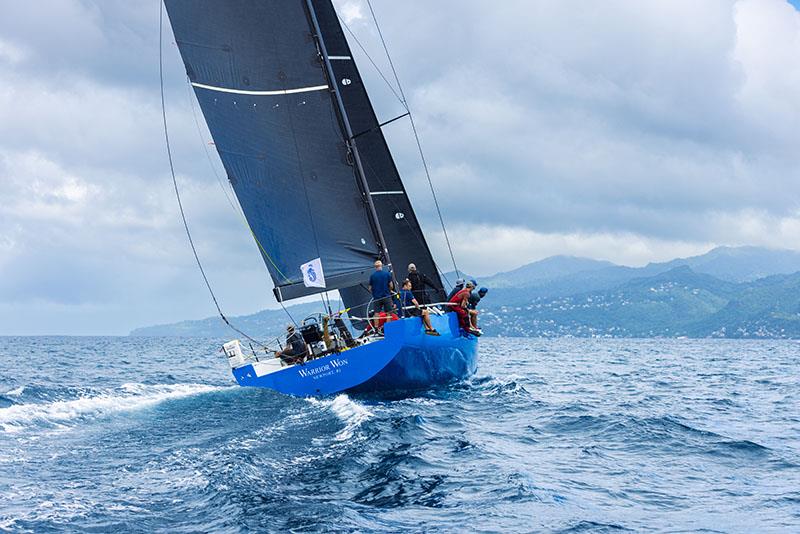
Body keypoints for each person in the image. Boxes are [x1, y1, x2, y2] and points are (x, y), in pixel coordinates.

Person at [368, 260, 395, 333]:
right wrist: (389, 290)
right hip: (386, 296)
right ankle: (388, 328)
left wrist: (374, 293)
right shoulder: (387, 274)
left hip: (377, 297)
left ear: (375, 267)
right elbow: (391, 286)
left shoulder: (372, 276)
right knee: (389, 313)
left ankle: (376, 329)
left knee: (376, 313)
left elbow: (370, 288)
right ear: (381, 266)